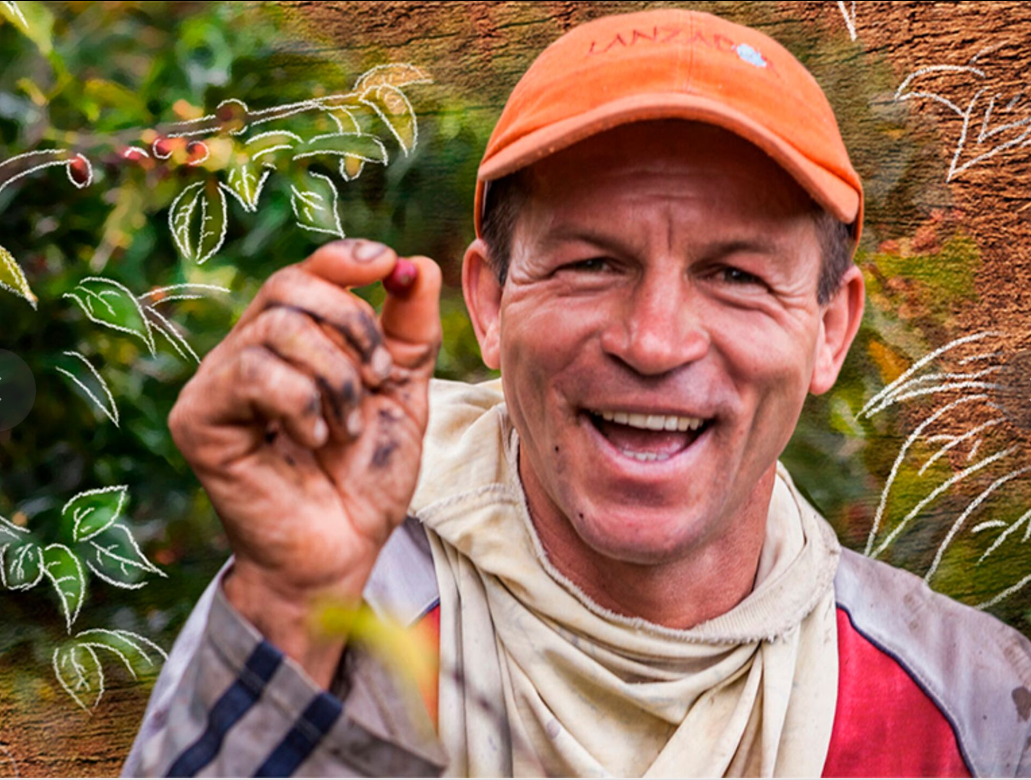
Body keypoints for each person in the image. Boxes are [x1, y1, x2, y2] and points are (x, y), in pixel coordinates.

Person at [124, 8, 1031, 778]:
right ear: (488, 302)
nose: (653, 340)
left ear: (829, 327)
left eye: (735, 275)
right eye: (592, 264)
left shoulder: (970, 703)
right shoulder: (336, 605)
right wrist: (288, 604)